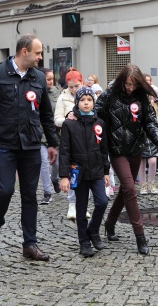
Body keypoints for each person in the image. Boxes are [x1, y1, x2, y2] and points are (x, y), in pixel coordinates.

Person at [0, 34, 58, 261]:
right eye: (37, 53)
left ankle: (30, 244)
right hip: (5, 143)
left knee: (30, 195)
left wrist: (53, 143)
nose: (40, 57)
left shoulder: (37, 77)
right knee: (5, 189)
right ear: (23, 51)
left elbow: (46, 113)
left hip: (31, 144)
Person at [93, 64, 158, 255]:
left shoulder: (142, 98)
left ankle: (109, 223)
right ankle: (140, 236)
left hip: (135, 149)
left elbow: (150, 122)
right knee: (131, 189)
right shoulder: (109, 95)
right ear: (121, 81)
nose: (130, 88)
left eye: (133, 85)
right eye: (127, 84)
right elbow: (94, 113)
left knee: (126, 189)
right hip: (116, 150)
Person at [59, 87, 110, 257]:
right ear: (77, 102)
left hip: (96, 170)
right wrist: (64, 176)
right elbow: (64, 150)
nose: (86, 103)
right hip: (78, 172)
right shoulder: (69, 123)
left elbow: (103, 149)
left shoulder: (99, 123)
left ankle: (93, 231)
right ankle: (84, 242)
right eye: (82, 100)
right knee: (81, 209)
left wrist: (106, 171)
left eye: (89, 100)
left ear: (93, 102)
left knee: (102, 201)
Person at [54, 68, 88, 220]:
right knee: (73, 174)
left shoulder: (87, 95)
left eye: (77, 86)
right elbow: (57, 120)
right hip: (70, 140)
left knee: (86, 175)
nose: (74, 89)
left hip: (86, 140)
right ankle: (72, 205)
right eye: (71, 86)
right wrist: (68, 118)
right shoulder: (63, 98)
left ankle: (84, 205)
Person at [39, 68, 62, 205]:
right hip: (41, 134)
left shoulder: (57, 93)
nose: (51, 81)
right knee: (44, 162)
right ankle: (47, 192)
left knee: (56, 163)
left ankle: (54, 179)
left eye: (52, 79)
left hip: (55, 133)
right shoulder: (35, 92)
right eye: (48, 79)